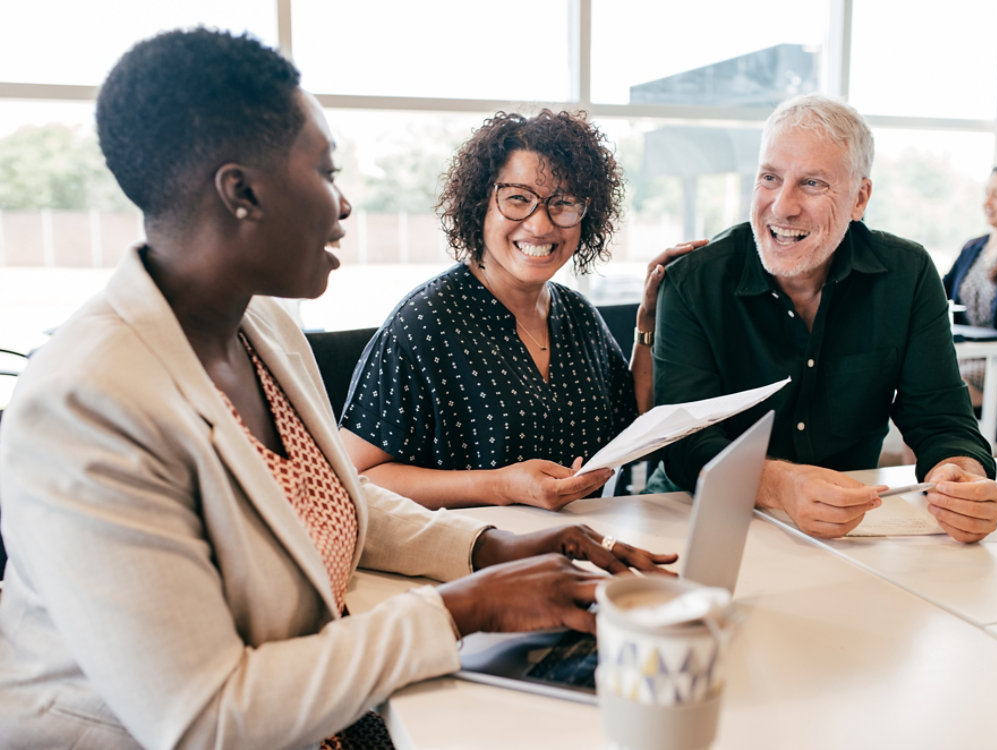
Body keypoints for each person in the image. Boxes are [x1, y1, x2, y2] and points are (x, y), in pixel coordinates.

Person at [0, 28, 678, 749]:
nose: (346, 203)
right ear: (242, 192)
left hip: (324, 710)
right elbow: (205, 718)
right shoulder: (84, 405)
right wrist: (463, 608)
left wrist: (491, 548)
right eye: (326, 172)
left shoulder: (264, 329)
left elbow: (333, 502)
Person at [648, 93, 997, 543]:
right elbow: (686, 444)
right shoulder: (693, 282)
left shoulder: (907, 274)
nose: (782, 206)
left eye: (812, 184)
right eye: (770, 178)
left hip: (850, 524)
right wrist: (782, 485)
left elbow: (942, 421)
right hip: (700, 511)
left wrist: (960, 476)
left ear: (860, 198)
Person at [339, 110, 699, 510]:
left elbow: (635, 421)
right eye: (518, 199)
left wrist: (648, 324)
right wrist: (500, 486)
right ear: (480, 205)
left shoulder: (577, 315)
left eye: (562, 203)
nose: (541, 225)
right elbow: (357, 476)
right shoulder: (424, 323)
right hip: (471, 556)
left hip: (579, 546)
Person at [943, 165, 997, 407]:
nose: (987, 202)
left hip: (995, 360)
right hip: (966, 352)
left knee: (937, 396)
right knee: (916, 384)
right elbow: (937, 293)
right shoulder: (973, 248)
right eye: (987, 193)